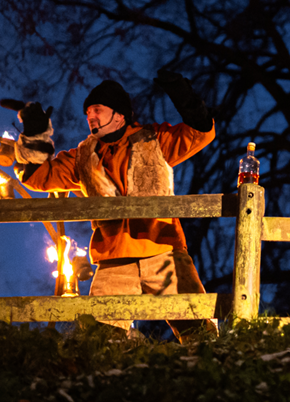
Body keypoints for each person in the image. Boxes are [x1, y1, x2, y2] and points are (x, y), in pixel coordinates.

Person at [3, 70, 216, 342]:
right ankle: (100, 382)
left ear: (119, 114)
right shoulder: (82, 156)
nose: (90, 116)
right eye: (88, 112)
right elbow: (37, 177)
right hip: (114, 256)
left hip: (162, 248)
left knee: (199, 331)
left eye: (97, 110)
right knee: (100, 339)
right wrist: (35, 137)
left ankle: (216, 376)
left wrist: (181, 92)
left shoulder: (155, 139)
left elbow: (200, 132)